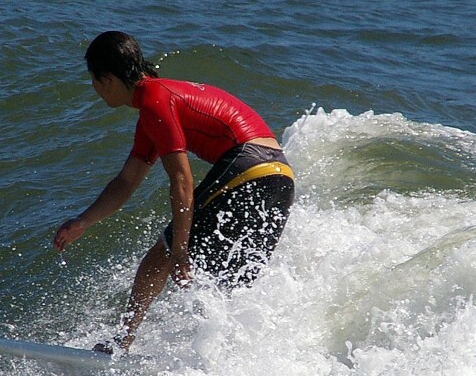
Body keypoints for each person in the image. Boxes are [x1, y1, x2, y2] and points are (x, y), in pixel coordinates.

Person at [53, 31, 295, 353]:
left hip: (248, 166)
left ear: (106, 78)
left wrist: (179, 251)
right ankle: (228, 359)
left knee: (160, 256)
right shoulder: (156, 107)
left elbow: (182, 181)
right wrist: (84, 221)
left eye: (94, 81)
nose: (95, 90)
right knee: (231, 286)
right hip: (280, 177)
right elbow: (126, 182)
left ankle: (122, 341)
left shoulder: (155, 99)